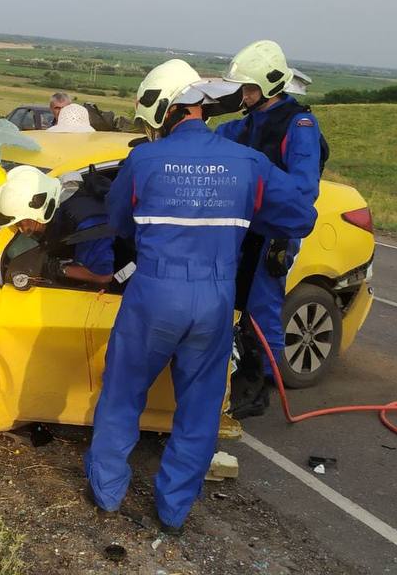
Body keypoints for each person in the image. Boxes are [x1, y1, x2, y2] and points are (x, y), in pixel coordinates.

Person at [84, 59, 317, 535]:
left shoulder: (143, 161)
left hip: (153, 291)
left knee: (123, 394)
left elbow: (120, 221)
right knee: (200, 407)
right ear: (198, 107)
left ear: (165, 110)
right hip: (214, 297)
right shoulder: (247, 162)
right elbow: (299, 217)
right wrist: (249, 221)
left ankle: (108, 493)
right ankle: (173, 510)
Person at [213, 40, 327, 417]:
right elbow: (214, 140)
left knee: (262, 306)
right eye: (242, 89)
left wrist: (264, 199)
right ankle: (229, 375)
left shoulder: (300, 125)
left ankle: (256, 385)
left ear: (270, 85)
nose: (243, 96)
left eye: (248, 89)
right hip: (245, 228)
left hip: (275, 231)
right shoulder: (249, 123)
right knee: (232, 301)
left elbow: (302, 189)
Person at [0, 165, 115, 287]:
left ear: (38, 210)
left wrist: (56, 268)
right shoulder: (49, 195)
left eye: (22, 223)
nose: (22, 229)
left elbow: (103, 276)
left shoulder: (89, 225)